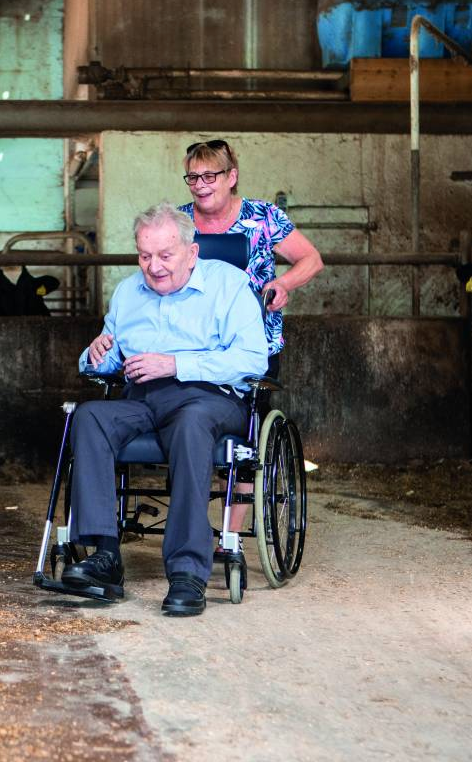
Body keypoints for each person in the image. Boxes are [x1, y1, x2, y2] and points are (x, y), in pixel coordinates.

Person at [62, 203, 268, 617]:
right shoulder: (127, 292)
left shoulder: (228, 286)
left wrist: (177, 364)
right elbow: (107, 358)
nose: (153, 267)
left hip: (209, 397)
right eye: (144, 255)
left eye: (165, 256)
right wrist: (96, 354)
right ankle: (105, 555)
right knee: (88, 417)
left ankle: (188, 573)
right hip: (142, 397)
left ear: (191, 253)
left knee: (192, 425)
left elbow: (253, 359)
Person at [180, 139, 324, 536]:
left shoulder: (262, 217)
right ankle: (191, 526)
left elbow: (311, 259)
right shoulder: (178, 224)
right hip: (192, 347)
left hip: (251, 345)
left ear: (232, 177)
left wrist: (283, 283)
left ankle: (229, 534)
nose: (201, 184)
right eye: (193, 176)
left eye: (210, 175)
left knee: (245, 439)